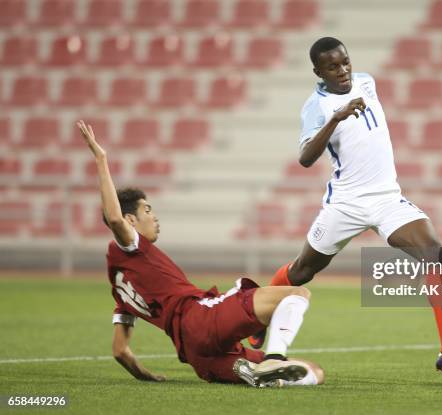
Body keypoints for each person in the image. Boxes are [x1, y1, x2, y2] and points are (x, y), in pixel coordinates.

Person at [249, 37, 442, 375]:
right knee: (302, 272)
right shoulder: (316, 106)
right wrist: (335, 118)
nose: (343, 70)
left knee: (435, 253)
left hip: (386, 198)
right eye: (333, 66)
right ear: (317, 72)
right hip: (346, 203)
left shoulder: (367, 82)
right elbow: (306, 159)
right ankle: (255, 314)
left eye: (345, 62)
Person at [76, 120, 324, 387]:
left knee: (313, 372)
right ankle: (274, 357)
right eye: (147, 210)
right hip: (201, 319)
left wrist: (145, 376)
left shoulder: (120, 287)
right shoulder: (130, 248)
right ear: (130, 220)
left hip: (196, 355)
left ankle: (252, 370)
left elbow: (120, 351)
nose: (155, 217)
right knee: (299, 294)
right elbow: (113, 218)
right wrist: (101, 159)